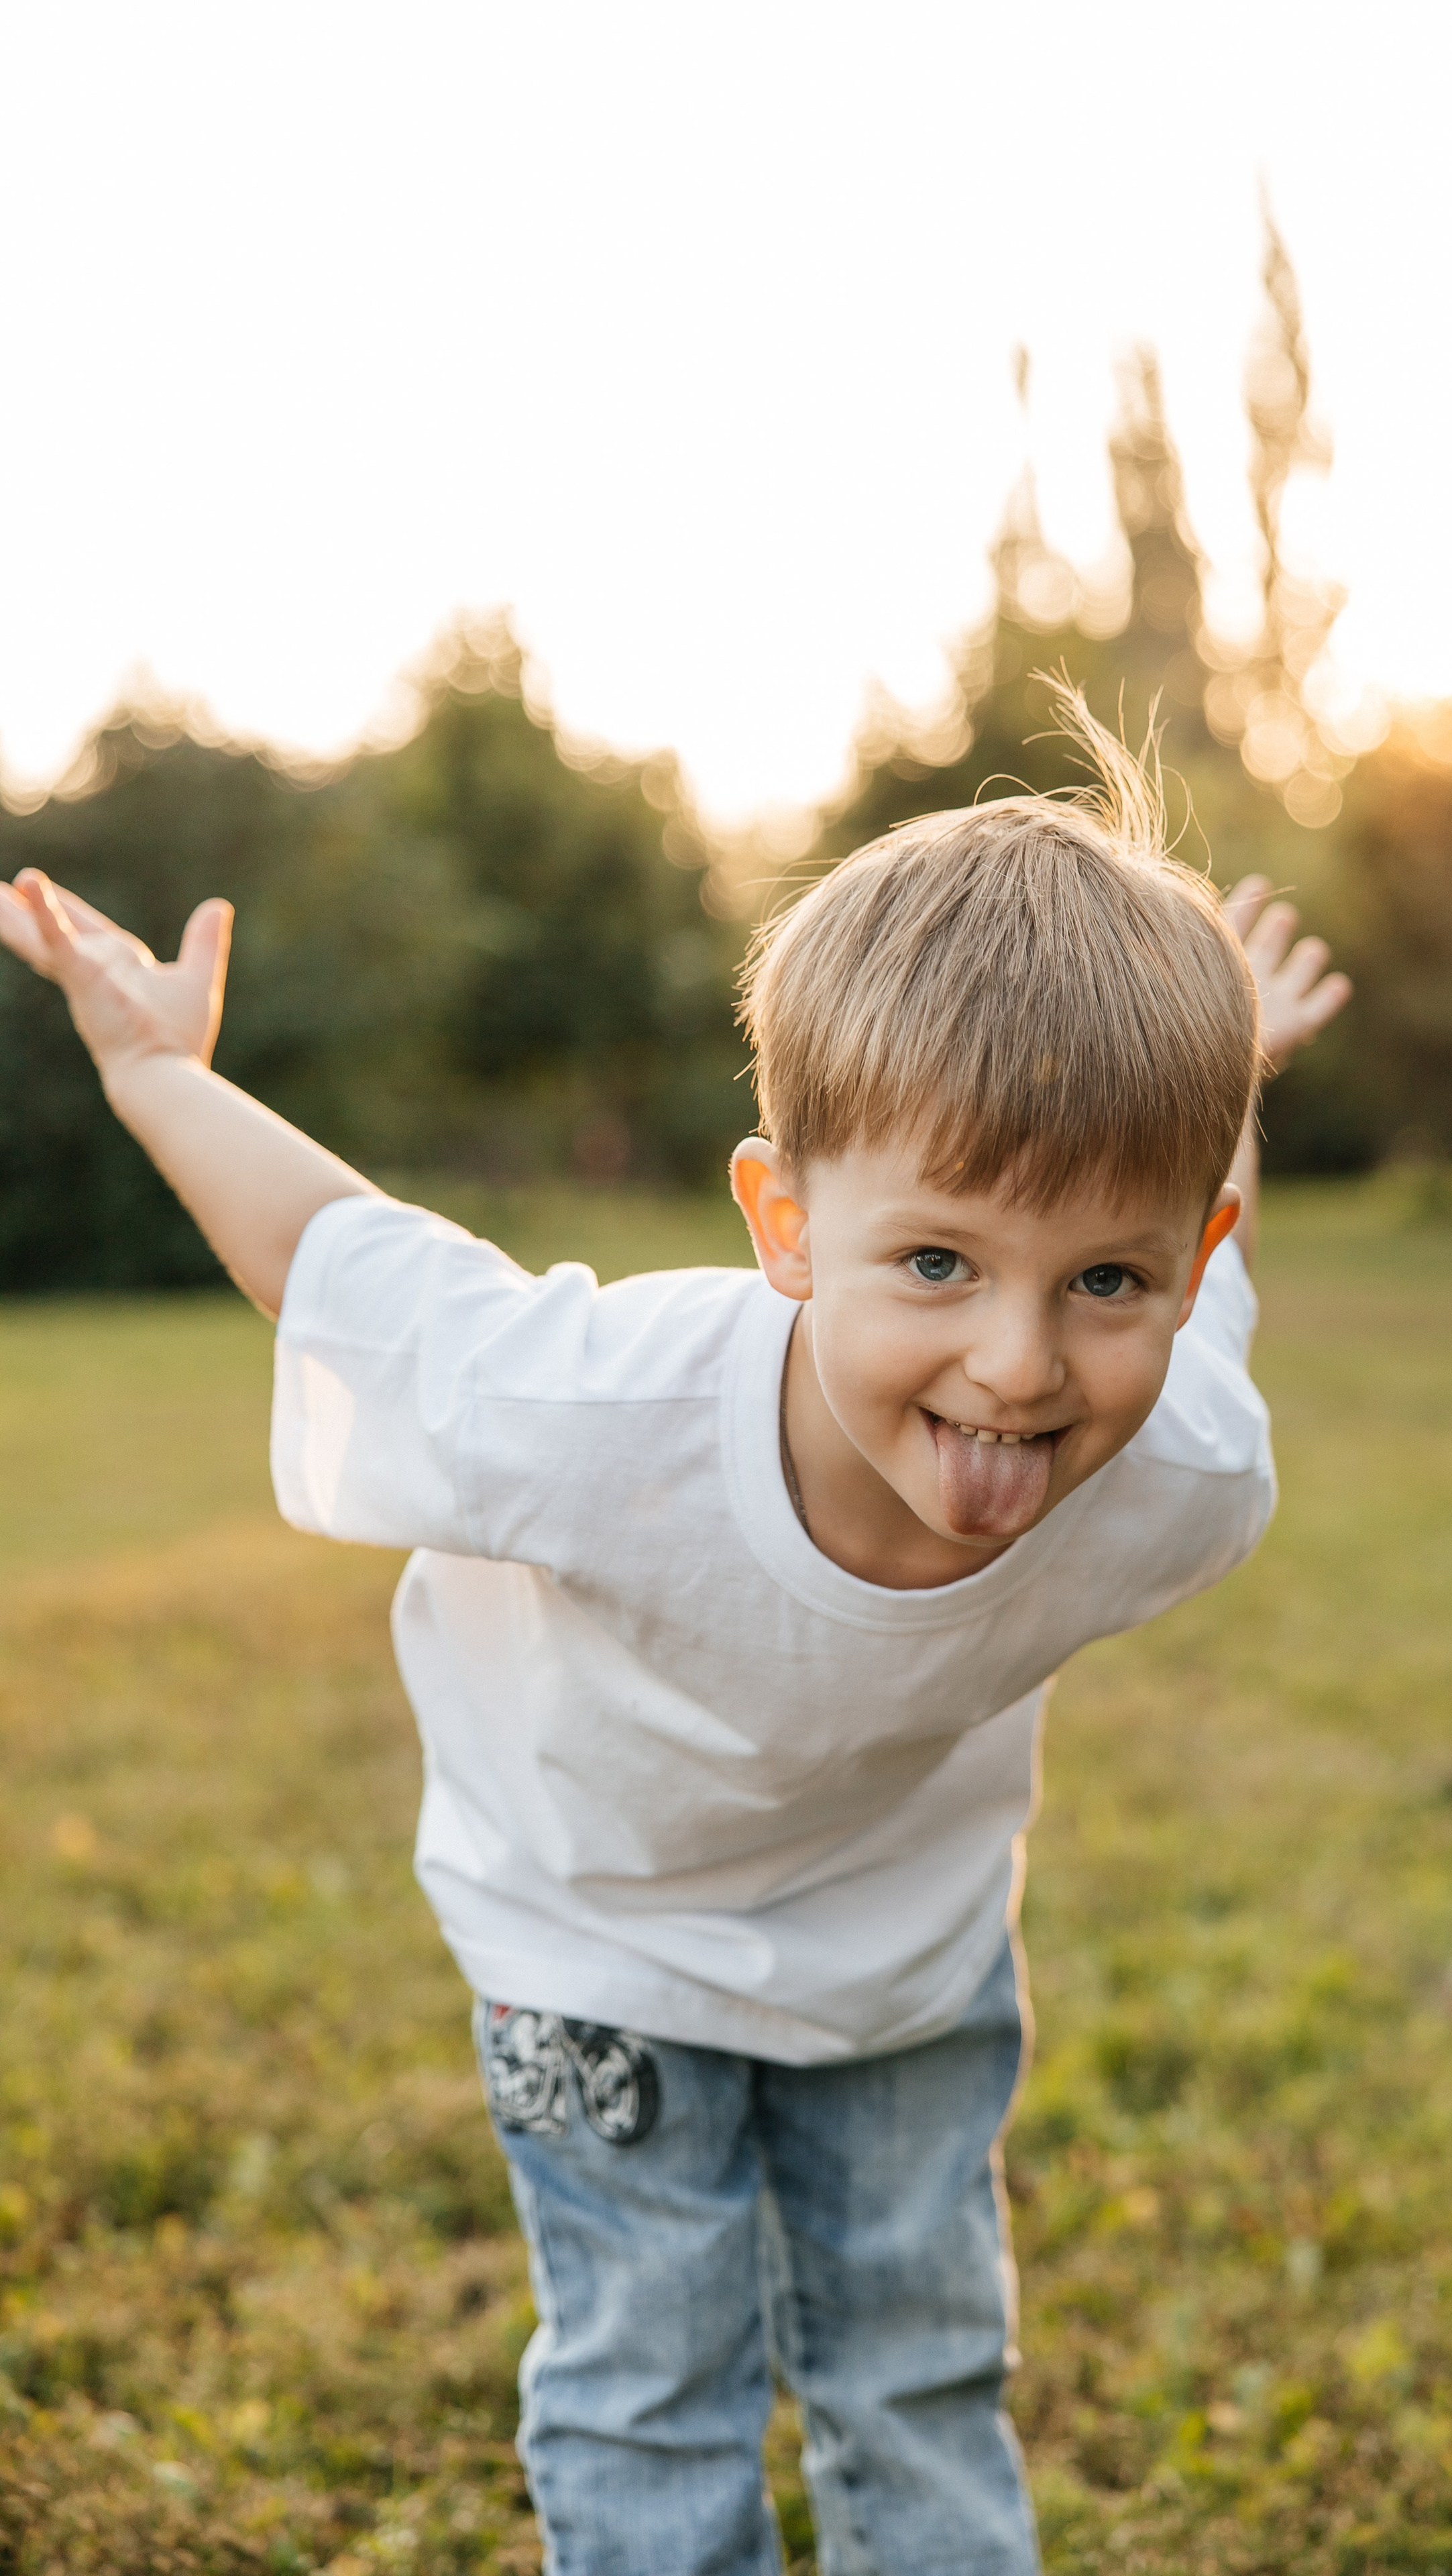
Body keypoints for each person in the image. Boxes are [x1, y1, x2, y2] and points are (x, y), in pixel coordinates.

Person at [0, 694, 1349, 2576]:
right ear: (783, 1224)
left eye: (1102, 1279)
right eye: (937, 1263)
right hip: (591, 1934)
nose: (1021, 1366)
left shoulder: (1185, 1464)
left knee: (919, 2362)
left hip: (902, 1956)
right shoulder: (592, 1408)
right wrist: (155, 1075)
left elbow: (1225, 1298)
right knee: (655, 2379)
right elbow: (340, 1264)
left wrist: (1238, 1086)